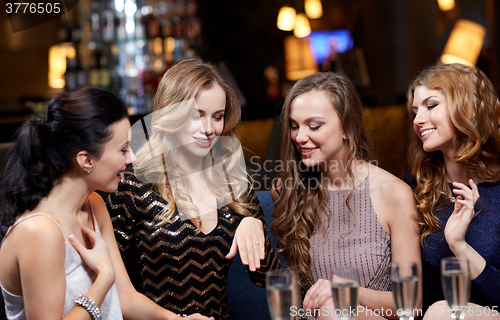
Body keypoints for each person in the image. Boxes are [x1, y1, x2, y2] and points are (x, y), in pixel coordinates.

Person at [0, 87, 210, 320]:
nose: (132, 158)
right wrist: (104, 278)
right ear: (86, 160)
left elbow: (125, 297)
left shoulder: (95, 204)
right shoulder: (39, 231)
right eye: (123, 150)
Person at [106, 59, 280, 319]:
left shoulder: (232, 180)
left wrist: (253, 224)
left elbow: (269, 277)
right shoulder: (132, 183)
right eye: (197, 115)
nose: (209, 129)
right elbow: (110, 290)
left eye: (217, 117)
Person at [271, 72, 421, 319]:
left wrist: (347, 292)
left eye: (314, 125)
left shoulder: (393, 194)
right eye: (294, 126)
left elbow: (411, 306)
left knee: (335, 306)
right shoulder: (287, 190)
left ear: (346, 127)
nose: (299, 137)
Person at [404, 63, 500, 319]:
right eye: (414, 111)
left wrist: (459, 245)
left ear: (466, 107)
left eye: (431, 105)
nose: (417, 120)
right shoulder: (418, 184)